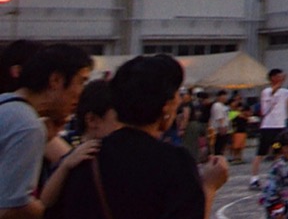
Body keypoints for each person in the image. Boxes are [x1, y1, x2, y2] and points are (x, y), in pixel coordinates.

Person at [47, 54, 229, 219]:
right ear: (166, 106)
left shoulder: (83, 158)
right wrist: (209, 187)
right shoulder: (175, 163)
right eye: (176, 96)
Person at [0, 44, 92, 219]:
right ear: (55, 80)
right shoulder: (27, 124)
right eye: (81, 81)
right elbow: (10, 209)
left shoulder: (6, 105)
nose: (81, 93)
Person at [40, 80, 120, 211]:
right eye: (119, 119)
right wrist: (65, 165)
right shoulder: (66, 147)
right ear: (92, 120)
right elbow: (45, 202)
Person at [252, 69, 288, 189]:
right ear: (273, 78)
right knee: (261, 153)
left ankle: (277, 174)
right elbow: (272, 94)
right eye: (278, 76)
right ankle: (254, 178)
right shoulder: (266, 91)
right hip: (268, 127)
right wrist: (279, 83)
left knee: (278, 150)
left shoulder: (284, 92)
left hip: (280, 127)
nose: (281, 79)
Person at [260, 129, 288, 219]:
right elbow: (270, 191)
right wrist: (277, 210)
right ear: (285, 148)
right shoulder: (278, 167)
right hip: (283, 209)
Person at [209, 90, 231, 159]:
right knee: (218, 148)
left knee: (222, 148)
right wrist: (222, 127)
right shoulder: (217, 106)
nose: (225, 98)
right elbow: (220, 118)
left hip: (224, 128)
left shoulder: (223, 106)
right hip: (218, 130)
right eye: (223, 96)